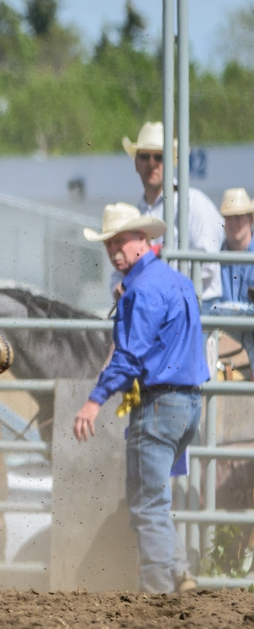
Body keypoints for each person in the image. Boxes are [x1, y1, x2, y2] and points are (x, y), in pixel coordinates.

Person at [72, 203, 207, 594]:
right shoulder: (176, 282)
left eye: (120, 241)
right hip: (187, 405)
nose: (114, 249)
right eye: (110, 243)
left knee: (147, 505)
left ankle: (156, 591)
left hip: (159, 405)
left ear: (143, 240)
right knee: (152, 498)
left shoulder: (140, 291)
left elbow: (129, 356)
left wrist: (94, 400)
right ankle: (180, 571)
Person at [125, 121, 223, 302]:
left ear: (171, 161)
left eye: (159, 157)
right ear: (136, 163)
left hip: (199, 306)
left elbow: (208, 265)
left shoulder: (193, 202)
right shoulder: (137, 213)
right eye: (145, 156)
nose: (151, 163)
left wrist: (160, 286)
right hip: (160, 307)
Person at [208, 187, 254, 316]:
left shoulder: (213, 256)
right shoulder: (213, 256)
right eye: (228, 217)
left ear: (251, 219)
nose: (233, 222)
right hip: (221, 333)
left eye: (238, 216)